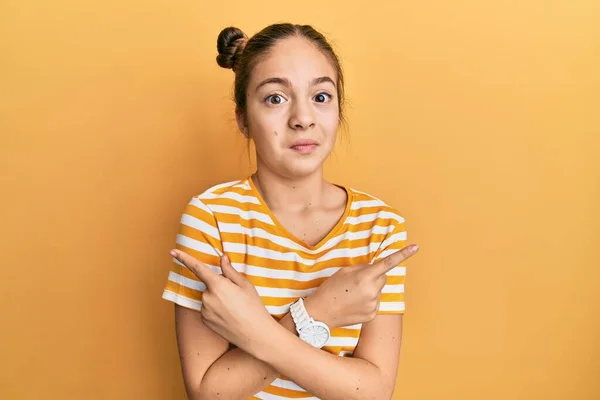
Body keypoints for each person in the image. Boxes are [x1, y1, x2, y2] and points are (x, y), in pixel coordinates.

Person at [162, 23, 420, 400]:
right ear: (242, 119)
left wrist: (257, 332)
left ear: (338, 110)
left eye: (320, 96)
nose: (303, 118)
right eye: (275, 98)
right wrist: (321, 312)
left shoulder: (379, 227)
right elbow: (209, 393)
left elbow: (373, 392)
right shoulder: (211, 218)